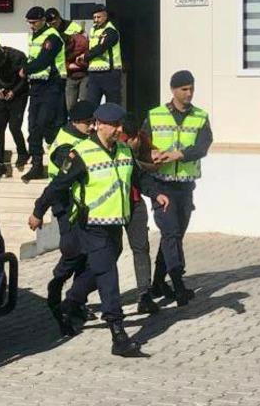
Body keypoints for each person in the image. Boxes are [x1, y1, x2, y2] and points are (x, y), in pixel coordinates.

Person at [29, 103, 170, 357]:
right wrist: (38, 211)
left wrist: (156, 193)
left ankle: (69, 302)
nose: (119, 129)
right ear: (99, 124)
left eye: (120, 125)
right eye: (114, 125)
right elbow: (58, 185)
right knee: (108, 276)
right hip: (91, 226)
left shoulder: (125, 150)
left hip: (115, 224)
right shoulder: (81, 153)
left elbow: (139, 178)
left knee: (99, 268)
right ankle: (118, 334)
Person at [142, 70, 213, 306]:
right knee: (170, 233)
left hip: (185, 186)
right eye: (184, 89)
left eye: (191, 88)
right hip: (161, 185)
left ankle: (157, 283)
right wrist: (151, 153)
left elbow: (203, 146)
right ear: (173, 90)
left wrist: (177, 155)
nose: (189, 93)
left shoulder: (201, 117)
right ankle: (178, 283)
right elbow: (140, 144)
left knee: (174, 236)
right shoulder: (155, 115)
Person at [43, 100, 96, 331]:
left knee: (86, 256)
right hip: (65, 207)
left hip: (79, 207)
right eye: (89, 123)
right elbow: (63, 176)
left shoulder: (82, 138)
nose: (92, 127)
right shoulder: (64, 145)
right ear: (76, 122)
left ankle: (76, 302)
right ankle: (57, 284)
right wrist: (39, 208)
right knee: (74, 252)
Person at [19, 6, 67, 182]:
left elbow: (43, 60)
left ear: (42, 20)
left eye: (34, 22)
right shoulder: (35, 36)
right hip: (37, 86)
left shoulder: (52, 37)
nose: (31, 26)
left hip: (52, 85)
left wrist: (26, 69)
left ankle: (60, 163)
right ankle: (37, 165)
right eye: (29, 23)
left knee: (45, 125)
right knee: (33, 126)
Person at [120, 115, 160, 314]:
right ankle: (78, 299)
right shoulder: (110, 149)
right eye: (132, 139)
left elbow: (142, 175)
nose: (136, 142)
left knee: (141, 248)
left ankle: (144, 294)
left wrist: (156, 194)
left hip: (135, 203)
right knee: (107, 253)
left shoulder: (141, 141)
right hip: (110, 209)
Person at [0, 46, 30, 181]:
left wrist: (14, 92)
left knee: (14, 126)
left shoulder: (18, 57)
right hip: (2, 93)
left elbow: (24, 79)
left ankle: (23, 153)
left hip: (19, 94)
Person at [77, 4, 123, 105]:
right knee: (91, 105)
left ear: (105, 17)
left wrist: (85, 56)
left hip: (110, 73)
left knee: (112, 105)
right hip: (94, 73)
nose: (96, 20)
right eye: (94, 17)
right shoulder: (93, 30)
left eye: (99, 17)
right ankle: (92, 121)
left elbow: (100, 48)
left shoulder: (110, 31)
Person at [46, 7, 89, 113]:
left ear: (59, 18)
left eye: (54, 21)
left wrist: (78, 63)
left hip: (82, 69)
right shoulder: (49, 31)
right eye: (50, 23)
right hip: (65, 72)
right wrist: (67, 66)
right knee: (68, 105)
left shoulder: (73, 28)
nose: (53, 24)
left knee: (84, 103)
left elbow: (85, 46)